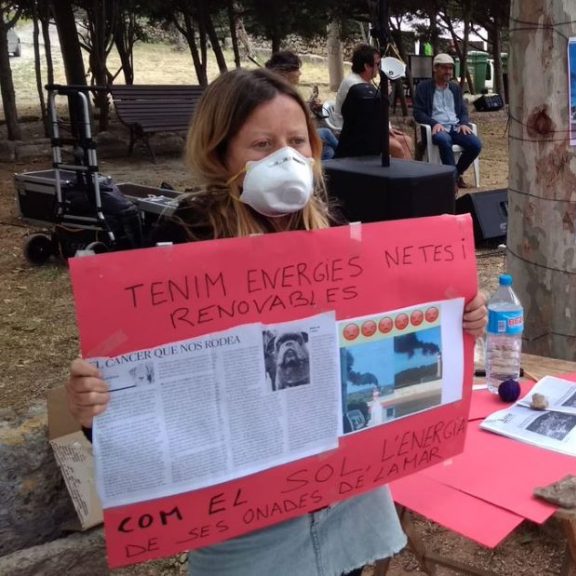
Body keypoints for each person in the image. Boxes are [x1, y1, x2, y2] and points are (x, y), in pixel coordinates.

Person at [64, 68, 489, 576]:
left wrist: (459, 317)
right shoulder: (182, 240)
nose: (285, 158)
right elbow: (149, 396)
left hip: (345, 504)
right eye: (261, 144)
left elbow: (390, 336)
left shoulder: (334, 229)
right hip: (248, 531)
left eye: (296, 141)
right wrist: (97, 412)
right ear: (220, 153)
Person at [413, 53, 483, 189]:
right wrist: (434, 123)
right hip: (437, 128)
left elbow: (463, 110)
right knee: (444, 140)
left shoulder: (455, 88)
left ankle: (454, 176)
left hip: (456, 127)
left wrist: (463, 123)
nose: (448, 72)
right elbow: (418, 112)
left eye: (450, 68)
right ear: (435, 68)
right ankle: (451, 183)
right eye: (445, 68)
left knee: (475, 145)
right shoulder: (423, 87)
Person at [333, 44, 414, 160]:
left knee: (407, 141)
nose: (379, 68)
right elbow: (371, 115)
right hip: (352, 134)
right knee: (397, 147)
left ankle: (407, 174)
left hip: (367, 131)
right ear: (367, 66)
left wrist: (388, 128)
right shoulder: (354, 85)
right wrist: (383, 96)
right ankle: (399, 176)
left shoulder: (365, 82)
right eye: (377, 64)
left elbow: (375, 115)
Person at [265, 51, 338, 160]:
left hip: (294, 138)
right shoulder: (276, 93)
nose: (300, 73)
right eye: (296, 69)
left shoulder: (280, 89)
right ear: (284, 72)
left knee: (328, 151)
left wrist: (309, 106)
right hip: (288, 143)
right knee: (326, 134)